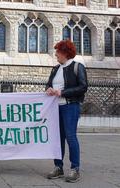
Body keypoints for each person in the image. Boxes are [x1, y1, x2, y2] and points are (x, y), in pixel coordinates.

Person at [45, 40, 88, 183]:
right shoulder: (55, 69)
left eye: (58, 52)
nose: (56, 54)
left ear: (65, 53)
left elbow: (83, 87)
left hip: (70, 106)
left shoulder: (77, 67)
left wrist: (62, 92)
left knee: (70, 137)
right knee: (57, 138)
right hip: (55, 108)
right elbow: (49, 85)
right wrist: (49, 89)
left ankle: (75, 168)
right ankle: (58, 166)